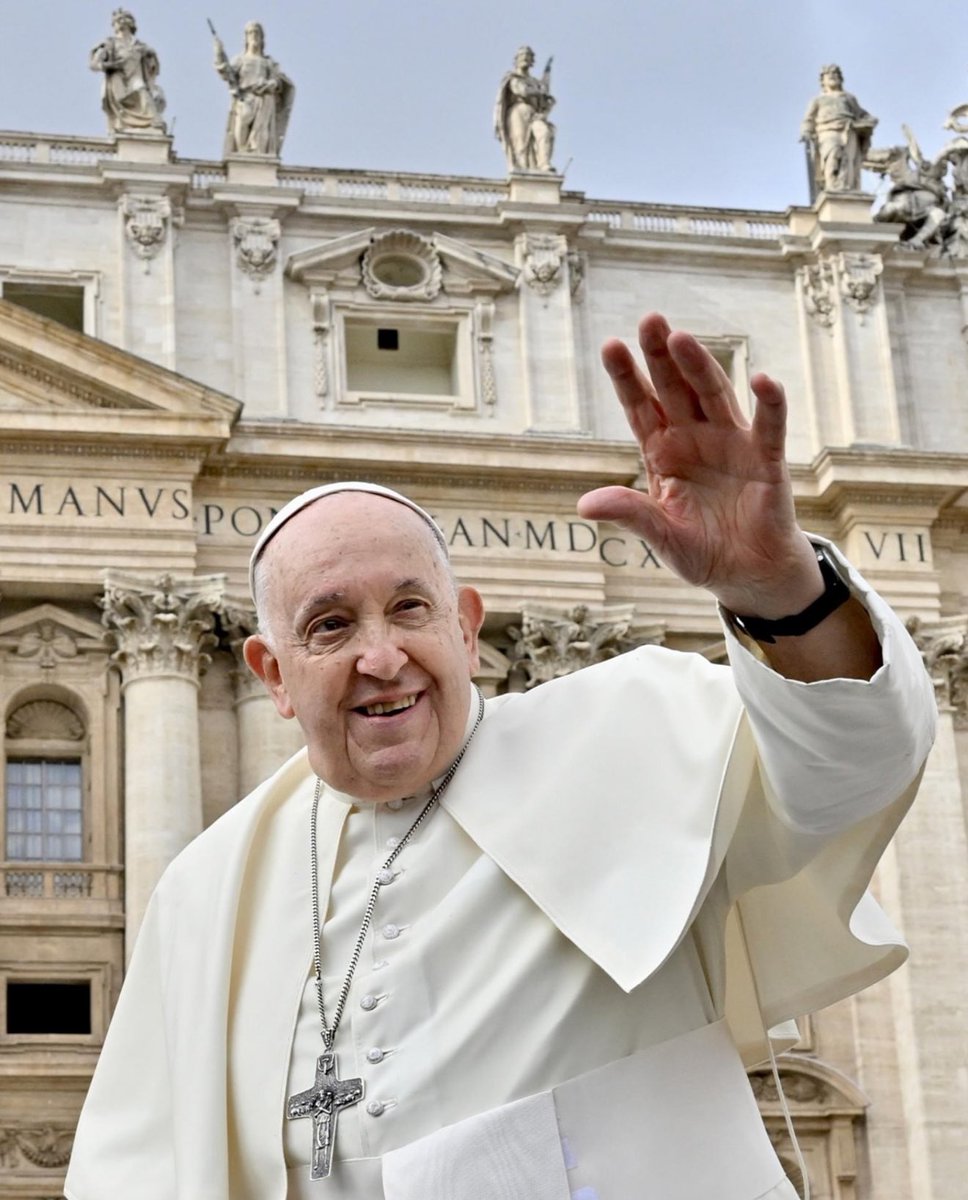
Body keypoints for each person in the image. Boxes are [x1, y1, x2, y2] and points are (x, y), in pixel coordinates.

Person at [64, 314, 935, 1199]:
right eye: (331, 626)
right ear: (272, 675)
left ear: (468, 628)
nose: (381, 657)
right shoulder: (206, 889)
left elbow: (854, 763)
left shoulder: (630, 731)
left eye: (410, 609)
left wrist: (780, 592)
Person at [213, 21, 295, 157]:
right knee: (242, 121)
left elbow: (278, 80)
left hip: (264, 99)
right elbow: (227, 73)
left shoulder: (268, 61)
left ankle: (258, 155)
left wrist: (273, 83)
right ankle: (241, 152)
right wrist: (218, 53)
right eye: (250, 32)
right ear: (246, 37)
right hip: (245, 97)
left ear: (262, 37)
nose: (254, 35)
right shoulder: (241, 59)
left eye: (257, 32)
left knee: (262, 131)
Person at [800, 64, 877, 195]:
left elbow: (862, 114)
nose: (833, 76)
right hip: (827, 131)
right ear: (822, 81)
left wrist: (870, 121)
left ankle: (846, 188)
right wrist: (806, 131)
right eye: (829, 75)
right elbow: (808, 118)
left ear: (840, 79)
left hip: (849, 130)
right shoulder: (818, 100)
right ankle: (832, 186)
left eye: (836, 74)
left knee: (848, 160)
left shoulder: (848, 98)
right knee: (832, 154)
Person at [89, 8, 166, 135]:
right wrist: (109, 65)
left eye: (124, 18)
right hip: (118, 78)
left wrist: (151, 58)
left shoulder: (140, 45)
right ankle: (124, 125)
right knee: (125, 100)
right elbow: (94, 65)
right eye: (117, 20)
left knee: (141, 90)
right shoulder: (110, 43)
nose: (121, 22)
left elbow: (153, 67)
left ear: (131, 23)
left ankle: (153, 121)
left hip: (136, 77)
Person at [494, 46, 556, 172]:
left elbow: (544, 101)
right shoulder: (512, 77)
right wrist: (540, 91)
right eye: (523, 56)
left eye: (528, 56)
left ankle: (544, 164)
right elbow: (522, 91)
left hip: (534, 114)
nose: (526, 58)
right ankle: (522, 172)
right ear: (516, 60)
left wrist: (547, 104)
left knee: (544, 132)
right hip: (518, 112)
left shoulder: (535, 81)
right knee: (520, 144)